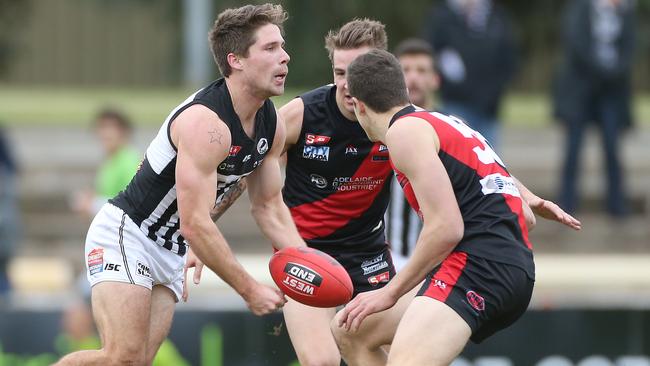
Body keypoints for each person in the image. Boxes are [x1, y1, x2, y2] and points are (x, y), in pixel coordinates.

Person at [55, 4, 306, 365]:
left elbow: (268, 208)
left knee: (138, 362)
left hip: (171, 246)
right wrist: (249, 289)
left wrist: (308, 265)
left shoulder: (272, 125)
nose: (285, 57)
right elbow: (195, 223)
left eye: (282, 46)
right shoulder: (206, 124)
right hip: (129, 233)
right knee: (120, 356)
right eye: (270, 49)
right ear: (236, 60)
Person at [333, 50, 582, 366]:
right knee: (351, 330)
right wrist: (530, 198)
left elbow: (446, 228)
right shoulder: (443, 121)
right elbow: (526, 216)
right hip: (503, 265)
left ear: (359, 106)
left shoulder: (403, 132)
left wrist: (389, 292)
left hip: (479, 267)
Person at [554, 0, 635, 217]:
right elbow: (576, 45)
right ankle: (567, 202)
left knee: (611, 148)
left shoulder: (625, 14)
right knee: (573, 148)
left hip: (610, 93)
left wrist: (614, 71)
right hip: (581, 92)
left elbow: (630, 47)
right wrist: (601, 69)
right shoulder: (579, 10)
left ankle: (616, 204)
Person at [423, 0, 517, 149]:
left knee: (489, 158)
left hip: (489, 107)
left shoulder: (496, 16)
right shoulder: (443, 16)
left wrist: (496, 90)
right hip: (456, 102)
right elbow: (431, 50)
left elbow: (508, 57)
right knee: (458, 153)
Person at [386, 38, 439, 271]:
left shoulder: (451, 130)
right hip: (382, 259)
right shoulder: (375, 129)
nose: (414, 77)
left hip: (433, 261)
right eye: (405, 70)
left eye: (421, 70)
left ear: (435, 79)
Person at [71, 108, 141, 219]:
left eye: (111, 128)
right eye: (102, 127)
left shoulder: (129, 161)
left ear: (123, 131)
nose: (105, 133)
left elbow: (134, 203)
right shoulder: (109, 161)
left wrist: (92, 205)